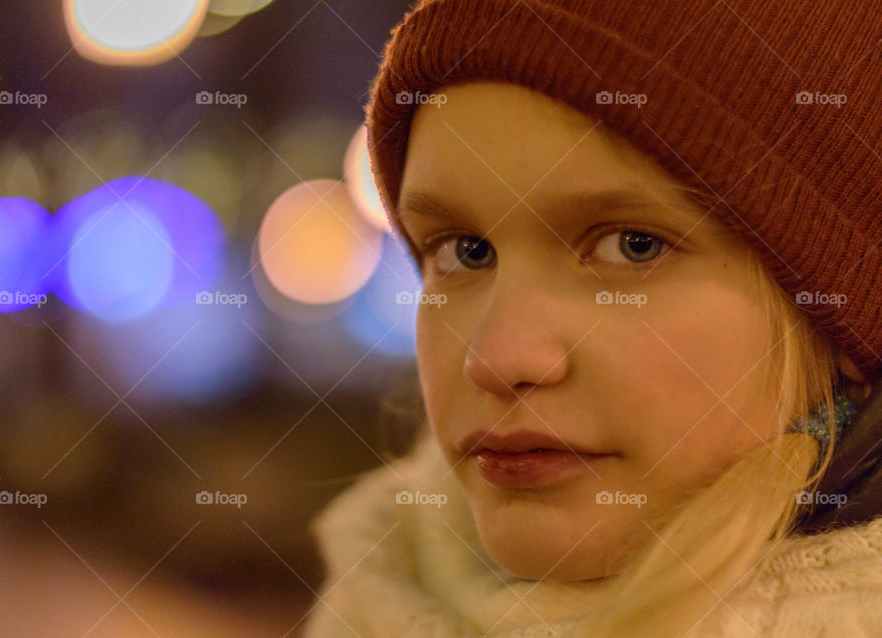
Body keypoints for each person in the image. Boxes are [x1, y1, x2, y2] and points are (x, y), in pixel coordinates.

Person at [303, 0, 882, 635]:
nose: (496, 359)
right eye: (464, 251)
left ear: (843, 323)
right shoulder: (377, 583)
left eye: (633, 245)